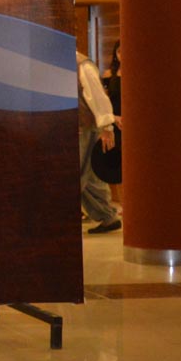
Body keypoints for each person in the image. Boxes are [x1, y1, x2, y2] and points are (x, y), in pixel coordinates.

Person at [77, 49, 122, 234]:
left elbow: (97, 96)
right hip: (77, 126)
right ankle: (107, 216)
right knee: (88, 175)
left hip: (84, 128)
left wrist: (107, 126)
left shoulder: (82, 65)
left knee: (78, 172)